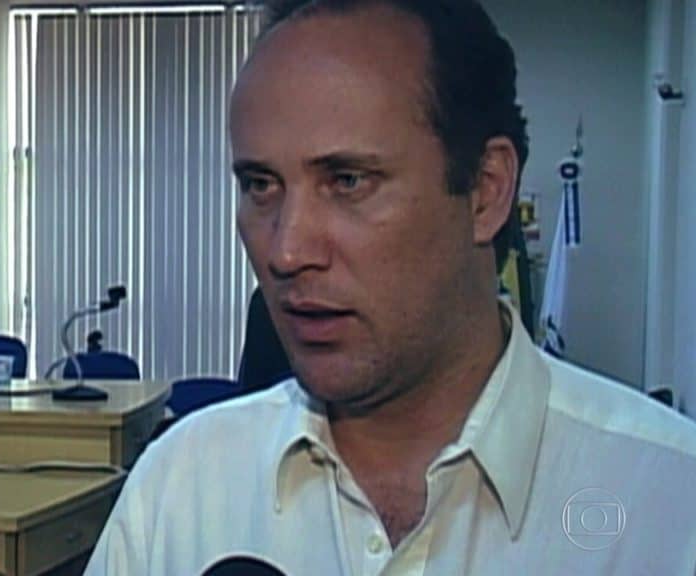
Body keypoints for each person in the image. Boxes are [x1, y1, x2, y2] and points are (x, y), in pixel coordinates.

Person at [85, 0, 696, 573]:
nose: (287, 251)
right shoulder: (177, 491)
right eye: (260, 185)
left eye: (348, 181)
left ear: (485, 192)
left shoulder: (669, 500)